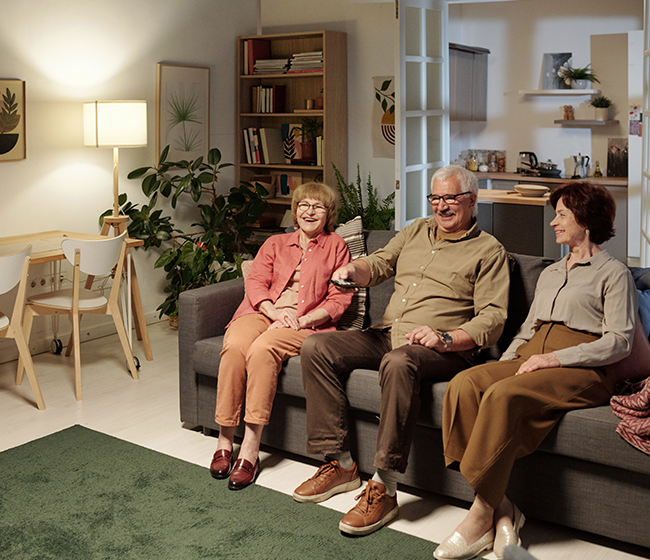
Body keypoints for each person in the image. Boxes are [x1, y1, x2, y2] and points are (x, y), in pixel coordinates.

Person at [292, 165, 511, 536]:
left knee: (398, 361)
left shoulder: (489, 251)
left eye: (451, 198)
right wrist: (354, 270)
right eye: (436, 197)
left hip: (442, 348)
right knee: (317, 346)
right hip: (389, 333)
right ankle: (342, 464)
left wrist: (446, 338)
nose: (441, 206)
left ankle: (384, 486)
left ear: (472, 201)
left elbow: (493, 318)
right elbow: (380, 263)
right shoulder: (415, 231)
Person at [435, 181, 637, 560]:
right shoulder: (550, 271)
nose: (553, 224)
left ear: (585, 218)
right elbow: (528, 329)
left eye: (560, 215)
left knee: (503, 395)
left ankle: (479, 516)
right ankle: (504, 509)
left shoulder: (614, 273)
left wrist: (555, 359)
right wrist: (503, 364)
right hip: (530, 354)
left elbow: (620, 341)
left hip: (583, 367)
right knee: (465, 383)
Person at [210, 182, 353, 491]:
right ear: (295, 211)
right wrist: (274, 312)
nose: (310, 211)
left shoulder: (337, 246)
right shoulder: (276, 243)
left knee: (262, 350)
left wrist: (299, 320)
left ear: (328, 214)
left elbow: (338, 301)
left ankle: (249, 447)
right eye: (304, 205)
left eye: (318, 206)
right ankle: (224, 438)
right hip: (261, 312)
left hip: (306, 324)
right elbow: (257, 281)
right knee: (235, 346)